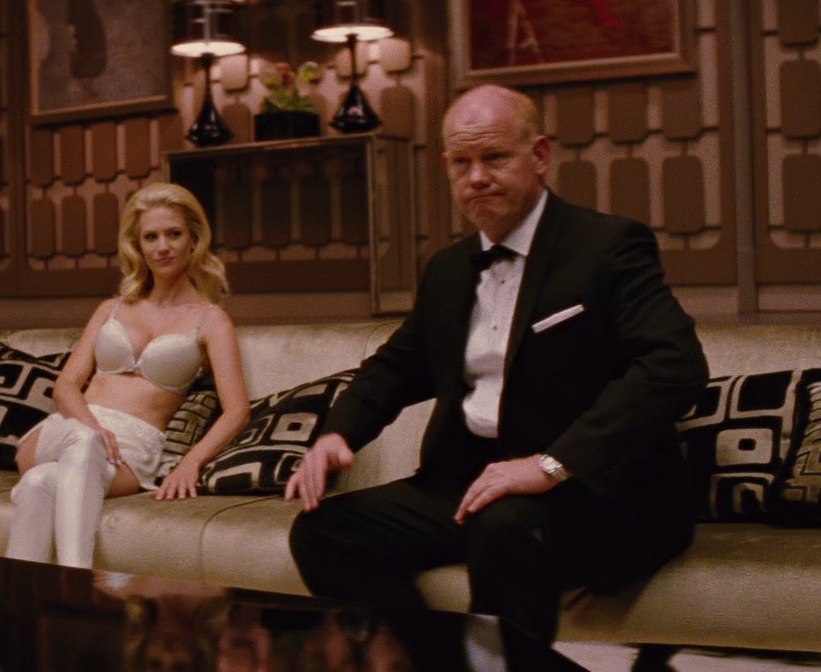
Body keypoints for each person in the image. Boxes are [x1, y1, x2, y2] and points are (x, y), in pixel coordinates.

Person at [284, 84, 708, 642]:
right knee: (322, 533)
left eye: (494, 158)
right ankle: (434, 669)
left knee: (505, 527)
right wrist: (337, 435)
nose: (477, 177)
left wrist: (550, 465)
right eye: (462, 163)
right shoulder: (448, 269)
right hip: (470, 481)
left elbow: (674, 366)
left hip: (586, 488)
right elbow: (396, 366)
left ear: (540, 156)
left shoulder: (607, 246)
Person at [7, 183, 251, 569]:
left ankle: (18, 591)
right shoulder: (111, 308)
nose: (163, 247)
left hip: (132, 450)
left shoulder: (211, 320)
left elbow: (237, 410)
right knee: (83, 442)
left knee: (39, 485)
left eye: (174, 234)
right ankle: (78, 576)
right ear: (137, 245)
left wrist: (191, 462)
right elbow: (65, 385)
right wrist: (92, 429)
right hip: (69, 428)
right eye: (150, 237)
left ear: (194, 239)